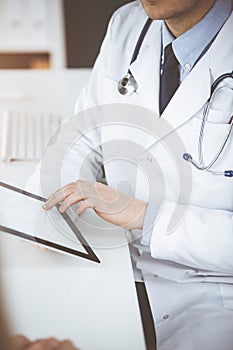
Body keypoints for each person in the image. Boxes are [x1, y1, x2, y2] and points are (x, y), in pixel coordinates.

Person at [31, 0, 233, 349]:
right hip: (119, 262)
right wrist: (53, 205)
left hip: (213, 292)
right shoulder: (128, 24)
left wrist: (145, 216)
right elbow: (82, 135)